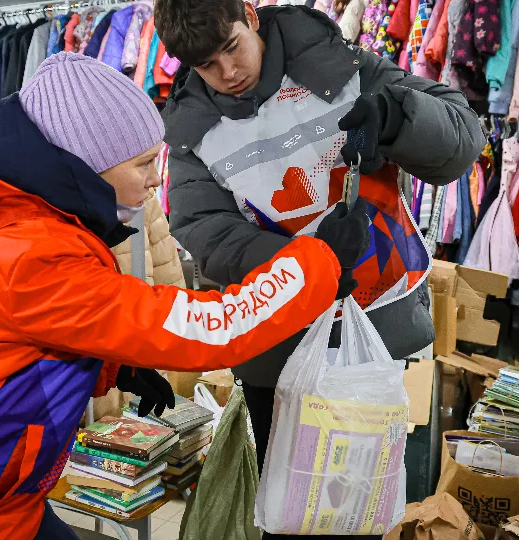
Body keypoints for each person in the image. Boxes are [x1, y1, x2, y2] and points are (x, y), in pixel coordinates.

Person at [0, 53, 370, 540]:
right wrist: (320, 260)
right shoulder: (27, 254)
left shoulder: (3, 219)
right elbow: (214, 329)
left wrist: (108, 363)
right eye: (140, 165)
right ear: (81, 168)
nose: (155, 180)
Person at [154, 2, 486, 538]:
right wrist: (311, 261)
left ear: (250, 15)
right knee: (295, 510)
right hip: (279, 353)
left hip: (383, 331)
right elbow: (204, 232)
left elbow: (462, 139)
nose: (228, 73)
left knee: (381, 509)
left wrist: (399, 118)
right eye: (207, 66)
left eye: (232, 48)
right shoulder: (192, 131)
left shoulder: (340, 67)